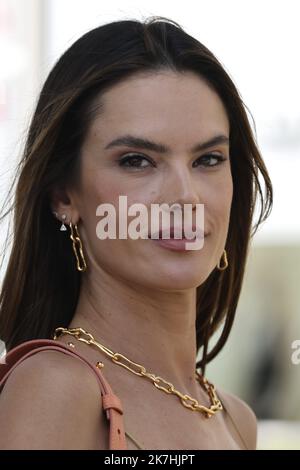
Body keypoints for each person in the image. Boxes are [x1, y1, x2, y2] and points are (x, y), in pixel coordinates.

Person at [0, 16, 273, 450]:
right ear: (63, 196)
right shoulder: (55, 390)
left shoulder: (236, 419)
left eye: (208, 159)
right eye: (136, 160)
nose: (185, 196)